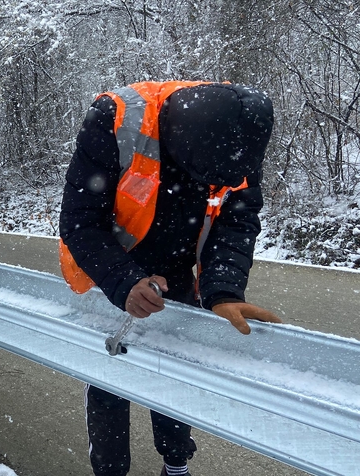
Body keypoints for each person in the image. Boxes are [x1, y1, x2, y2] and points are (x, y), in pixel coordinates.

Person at [58, 81, 283, 476]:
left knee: (173, 374)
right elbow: (80, 221)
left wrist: (223, 290)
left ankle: (175, 465)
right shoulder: (116, 119)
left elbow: (237, 219)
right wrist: (124, 282)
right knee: (111, 377)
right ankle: (109, 471)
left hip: (177, 273)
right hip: (111, 269)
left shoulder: (239, 132)